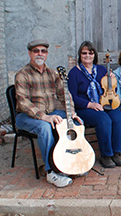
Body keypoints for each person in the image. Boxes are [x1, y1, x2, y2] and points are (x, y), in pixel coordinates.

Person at [15, 39, 83, 188]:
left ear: (47, 54)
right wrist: (44, 117)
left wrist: (71, 112)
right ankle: (51, 171)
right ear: (29, 53)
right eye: (36, 51)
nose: (40, 54)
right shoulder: (23, 74)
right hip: (26, 117)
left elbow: (64, 94)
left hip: (50, 112)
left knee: (76, 122)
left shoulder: (52, 73)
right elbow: (23, 102)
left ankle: (73, 160)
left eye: (43, 51)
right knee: (45, 128)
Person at [68, 41, 121, 169]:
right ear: (80, 55)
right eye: (84, 53)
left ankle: (116, 152)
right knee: (103, 119)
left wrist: (111, 80)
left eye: (90, 53)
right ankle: (105, 155)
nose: (87, 55)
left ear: (94, 55)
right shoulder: (74, 73)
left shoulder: (100, 69)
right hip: (84, 107)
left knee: (118, 117)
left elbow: (110, 90)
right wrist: (90, 104)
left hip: (102, 103)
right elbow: (72, 98)